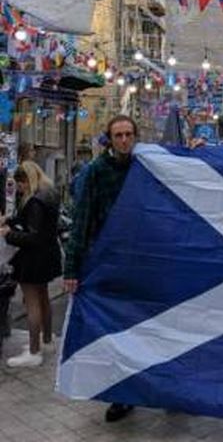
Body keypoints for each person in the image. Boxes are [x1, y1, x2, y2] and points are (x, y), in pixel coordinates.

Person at [64, 114, 138, 423]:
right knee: (114, 332)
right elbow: (81, 219)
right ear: (110, 139)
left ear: (135, 137)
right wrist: (72, 268)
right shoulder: (96, 172)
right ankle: (120, 395)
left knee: (149, 326)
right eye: (118, 135)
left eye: (128, 135)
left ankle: (161, 388)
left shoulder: (145, 167)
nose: (124, 140)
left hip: (144, 261)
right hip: (107, 263)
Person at [0, 161, 61, 367]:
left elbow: (33, 236)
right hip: (48, 256)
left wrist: (9, 234)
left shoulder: (35, 201)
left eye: (21, 185)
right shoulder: (48, 193)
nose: (20, 189)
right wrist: (9, 220)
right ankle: (46, 341)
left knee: (32, 302)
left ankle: (34, 352)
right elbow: (34, 224)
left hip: (33, 259)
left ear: (27, 180)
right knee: (43, 298)